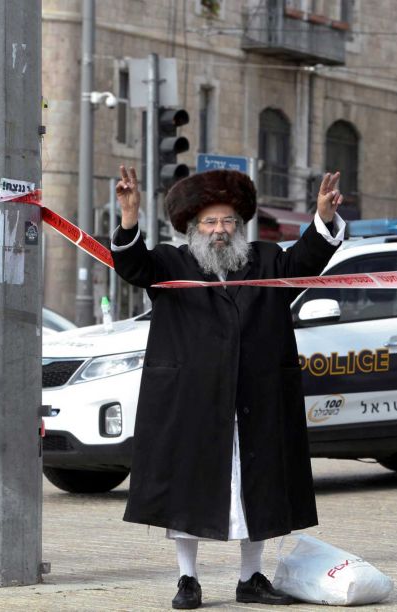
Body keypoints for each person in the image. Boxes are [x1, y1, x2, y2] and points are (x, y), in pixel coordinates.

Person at [111, 166, 345, 609]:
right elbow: (132, 264)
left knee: (254, 486)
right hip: (192, 402)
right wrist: (128, 217)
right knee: (189, 488)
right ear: (192, 227)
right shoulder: (170, 263)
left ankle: (250, 578)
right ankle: (188, 580)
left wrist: (323, 217)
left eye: (228, 222)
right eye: (210, 222)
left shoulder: (269, 260)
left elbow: (308, 260)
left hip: (256, 399)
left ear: (241, 226)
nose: (220, 231)